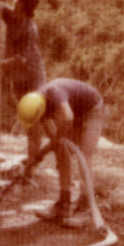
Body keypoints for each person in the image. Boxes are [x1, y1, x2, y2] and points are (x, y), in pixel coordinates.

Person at [17, 78, 107, 223]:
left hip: (92, 108)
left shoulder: (55, 94)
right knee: (61, 150)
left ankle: (85, 206)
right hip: (75, 111)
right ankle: (64, 203)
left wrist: (58, 137)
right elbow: (52, 134)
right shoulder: (36, 103)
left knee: (84, 156)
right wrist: (40, 154)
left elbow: (68, 117)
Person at [0, 0, 45, 104]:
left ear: (24, 13)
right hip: (17, 74)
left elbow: (21, 59)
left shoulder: (30, 30)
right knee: (20, 106)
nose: (12, 9)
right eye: (14, 4)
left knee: (35, 108)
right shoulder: (10, 16)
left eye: (16, 7)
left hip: (32, 75)